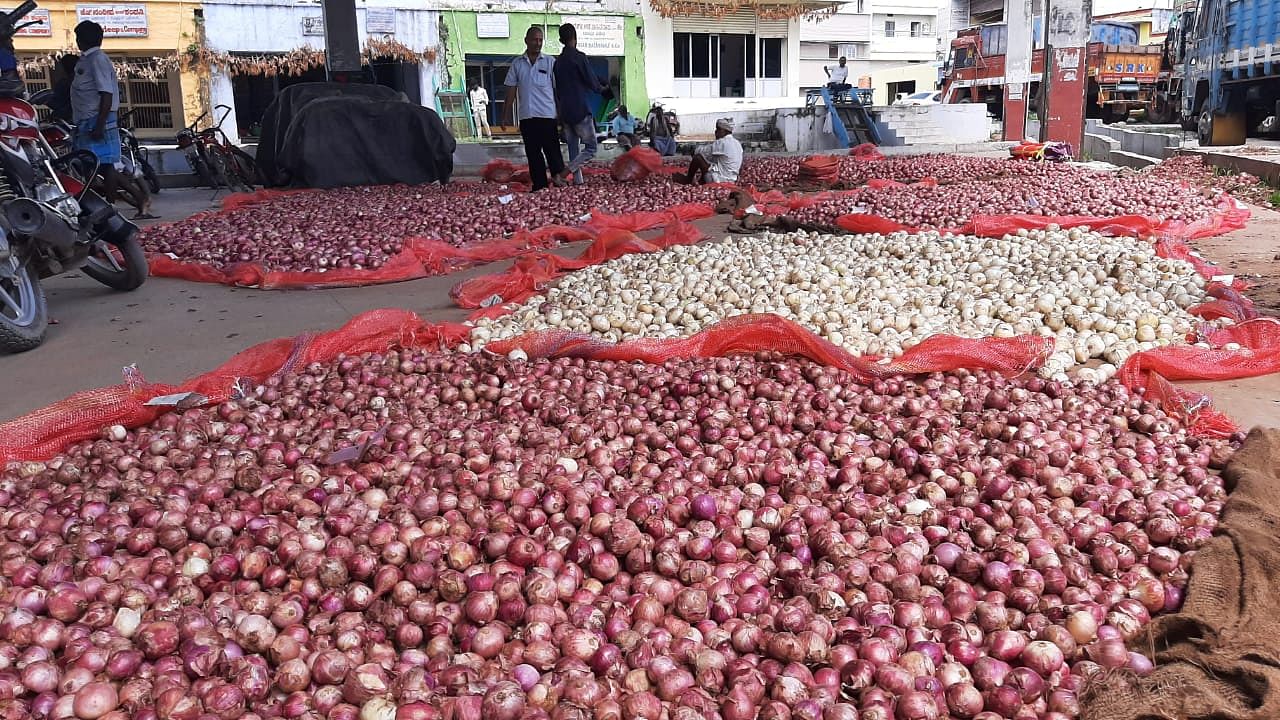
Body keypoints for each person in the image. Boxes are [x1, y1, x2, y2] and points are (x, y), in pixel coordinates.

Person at [72, 21, 154, 219]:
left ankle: (108, 207)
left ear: (82, 39)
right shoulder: (86, 60)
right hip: (87, 120)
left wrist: (100, 125)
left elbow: (106, 94)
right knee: (95, 167)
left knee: (104, 166)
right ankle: (129, 200)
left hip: (98, 119)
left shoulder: (97, 60)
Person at [502, 26, 565, 191]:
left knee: (553, 152)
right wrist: (505, 115)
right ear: (526, 41)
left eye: (540, 40)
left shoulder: (550, 62)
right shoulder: (517, 64)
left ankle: (558, 183)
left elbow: (558, 90)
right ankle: (540, 186)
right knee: (533, 154)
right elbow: (510, 90)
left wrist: (561, 115)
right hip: (527, 117)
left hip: (547, 115)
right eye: (534, 40)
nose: (538, 43)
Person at [552, 23, 609, 186]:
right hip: (580, 109)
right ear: (575, 38)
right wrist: (602, 88)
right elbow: (592, 82)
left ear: (561, 39)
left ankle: (578, 181)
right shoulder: (579, 57)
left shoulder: (558, 62)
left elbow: (557, 88)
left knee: (573, 148)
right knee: (591, 148)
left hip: (565, 110)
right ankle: (563, 174)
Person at [676, 118, 742, 185]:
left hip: (719, 179)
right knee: (710, 162)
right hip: (732, 180)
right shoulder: (737, 143)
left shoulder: (722, 142)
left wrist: (692, 149)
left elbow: (702, 151)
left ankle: (687, 180)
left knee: (698, 158)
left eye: (717, 129)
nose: (715, 132)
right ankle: (701, 182)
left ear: (723, 130)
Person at [48, 54, 78, 124]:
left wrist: (46, 100)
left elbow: (55, 103)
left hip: (65, 120)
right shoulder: (85, 82)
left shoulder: (64, 83)